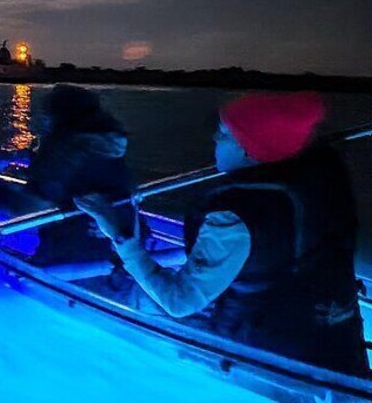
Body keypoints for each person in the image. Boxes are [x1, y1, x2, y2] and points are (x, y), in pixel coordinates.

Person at [74, 92, 369, 376]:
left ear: (248, 149)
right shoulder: (324, 180)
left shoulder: (234, 216)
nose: (215, 139)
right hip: (340, 344)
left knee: (133, 300)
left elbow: (179, 301)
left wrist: (118, 234)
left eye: (223, 134)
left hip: (270, 363)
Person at [0, 84, 138, 266]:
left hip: (73, 251)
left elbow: (33, 208)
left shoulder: (62, 145)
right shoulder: (110, 143)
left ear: (58, 114)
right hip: (123, 245)